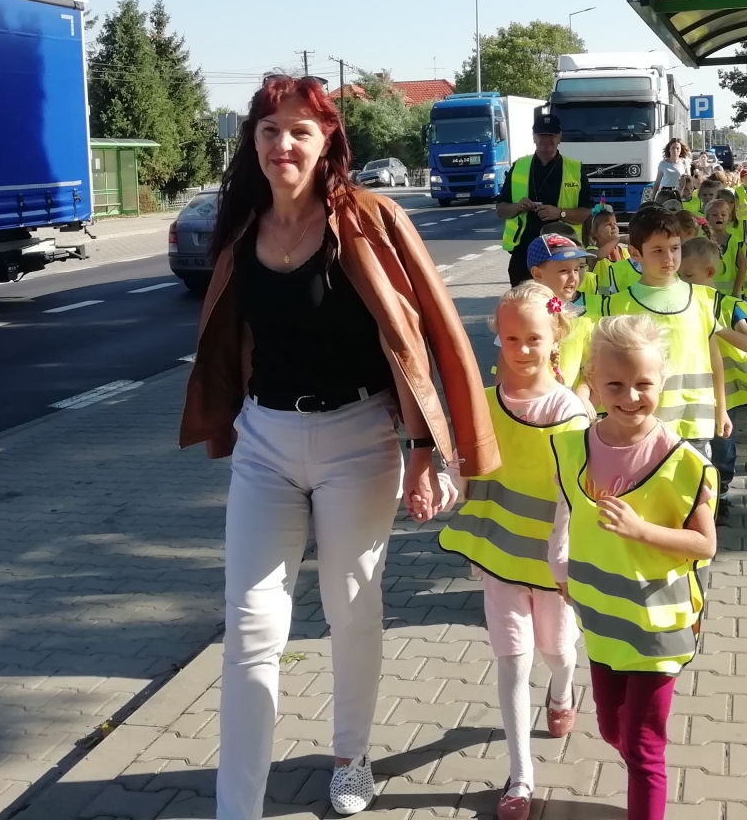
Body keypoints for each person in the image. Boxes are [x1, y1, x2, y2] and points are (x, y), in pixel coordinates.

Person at [180, 75, 499, 819]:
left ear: (327, 141)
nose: (283, 144)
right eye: (269, 130)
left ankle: (351, 758)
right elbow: (228, 337)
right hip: (266, 441)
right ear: (253, 141)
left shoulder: (369, 220)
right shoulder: (242, 227)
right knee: (251, 625)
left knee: (351, 608)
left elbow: (415, 336)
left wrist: (424, 449)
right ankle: (237, 808)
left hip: (358, 440)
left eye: (300, 130)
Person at [549, 315, 717, 820]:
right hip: (603, 621)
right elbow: (566, 514)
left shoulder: (683, 462)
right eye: (616, 385)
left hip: (658, 627)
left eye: (643, 383)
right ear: (593, 382)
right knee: (611, 728)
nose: (630, 396)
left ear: (662, 380)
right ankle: (641, 772)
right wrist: (562, 568)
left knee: (644, 749)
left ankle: (646, 789)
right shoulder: (573, 446)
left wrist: (643, 531)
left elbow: (704, 544)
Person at [439, 282, 586, 820]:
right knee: (513, 662)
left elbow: (573, 493)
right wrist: (443, 488)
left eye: (533, 338)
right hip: (500, 555)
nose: (522, 349)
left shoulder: (568, 411)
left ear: (555, 338)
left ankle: (563, 690)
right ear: (498, 339)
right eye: (511, 339)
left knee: (557, 652)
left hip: (552, 565)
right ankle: (520, 777)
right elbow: (462, 466)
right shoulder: (482, 403)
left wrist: (563, 557)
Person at [592, 207, 732, 450]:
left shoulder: (704, 298)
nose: (668, 258)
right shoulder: (617, 306)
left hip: (694, 422)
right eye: (657, 251)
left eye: (674, 248)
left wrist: (722, 408)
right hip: (638, 424)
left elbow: (714, 357)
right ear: (635, 253)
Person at [679, 237, 747, 523]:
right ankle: (697, 496)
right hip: (695, 390)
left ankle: (722, 495)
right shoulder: (680, 305)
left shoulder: (730, 305)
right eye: (679, 276)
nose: (682, 282)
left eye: (688, 276)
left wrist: (717, 327)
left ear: (710, 273)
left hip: (728, 393)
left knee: (722, 444)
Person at [497, 108, 594, 285]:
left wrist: (559, 213)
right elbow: (501, 210)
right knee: (523, 299)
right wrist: (517, 207)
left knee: (559, 299)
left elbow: (586, 212)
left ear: (560, 137)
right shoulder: (519, 166)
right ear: (534, 137)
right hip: (524, 254)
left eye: (551, 135)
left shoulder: (575, 169)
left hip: (563, 253)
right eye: (541, 135)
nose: (546, 139)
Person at [524, 233, 595, 390]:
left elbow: (589, 369)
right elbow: (505, 373)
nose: (573, 277)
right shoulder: (520, 314)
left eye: (577, 269)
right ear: (538, 274)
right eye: (564, 270)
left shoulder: (581, 316)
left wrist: (581, 397)